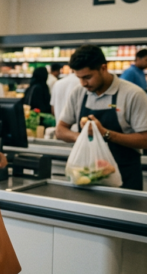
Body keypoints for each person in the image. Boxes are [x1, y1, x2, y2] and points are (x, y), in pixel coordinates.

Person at [56, 45, 147, 191]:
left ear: (103, 68)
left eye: (87, 77)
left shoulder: (133, 94)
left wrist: (104, 133)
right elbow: (60, 131)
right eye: (79, 78)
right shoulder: (78, 93)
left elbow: (145, 139)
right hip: (86, 176)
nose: (83, 84)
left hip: (125, 179)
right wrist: (84, 136)